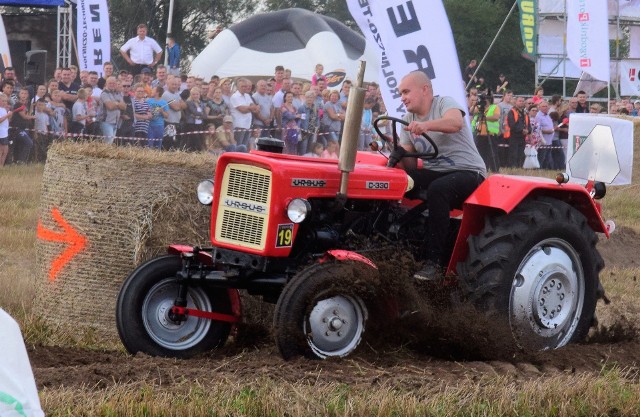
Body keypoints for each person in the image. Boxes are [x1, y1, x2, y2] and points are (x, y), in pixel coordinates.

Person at [394, 71, 486, 279]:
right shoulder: (408, 119)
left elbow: (455, 123)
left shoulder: (444, 103)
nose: (402, 97)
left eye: (406, 91)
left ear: (424, 89)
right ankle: (396, 238)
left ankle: (434, 263)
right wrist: (400, 153)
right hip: (437, 172)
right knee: (401, 182)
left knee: (438, 189)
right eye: (401, 93)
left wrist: (425, 125)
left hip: (468, 172)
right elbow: (410, 165)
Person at [471, 93, 500, 172]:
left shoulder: (494, 107)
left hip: (490, 134)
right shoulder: (480, 107)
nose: (485, 101)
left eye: (486, 99)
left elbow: (495, 117)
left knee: (492, 153)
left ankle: (495, 169)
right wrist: (474, 105)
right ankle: (484, 168)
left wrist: (484, 117)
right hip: (480, 133)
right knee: (481, 153)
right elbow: (471, 112)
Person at [505, 96, 530, 168]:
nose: (521, 102)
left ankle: (519, 167)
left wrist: (528, 130)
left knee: (521, 154)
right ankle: (513, 168)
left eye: (522, 101)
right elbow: (512, 124)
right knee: (513, 154)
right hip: (514, 136)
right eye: (520, 101)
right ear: (515, 102)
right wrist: (522, 130)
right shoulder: (512, 112)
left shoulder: (525, 112)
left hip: (522, 136)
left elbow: (528, 123)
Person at [99, 76, 126, 145]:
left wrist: (115, 104)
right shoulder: (104, 93)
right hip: (106, 122)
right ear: (106, 84)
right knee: (108, 143)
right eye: (110, 83)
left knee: (110, 143)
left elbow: (124, 107)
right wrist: (118, 103)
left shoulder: (118, 93)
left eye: (114, 83)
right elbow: (110, 106)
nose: (112, 85)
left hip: (116, 122)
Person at [0, 93, 13, 167]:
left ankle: (2, 165)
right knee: (1, 151)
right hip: (1, 134)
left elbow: (6, 121)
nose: (5, 102)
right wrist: (7, 115)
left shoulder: (4, 109)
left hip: (5, 133)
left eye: (6, 101)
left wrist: (9, 116)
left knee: (5, 151)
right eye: (3, 101)